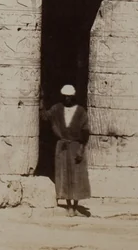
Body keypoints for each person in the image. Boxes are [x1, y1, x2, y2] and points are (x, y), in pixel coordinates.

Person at [45, 84, 90, 215]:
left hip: (76, 146)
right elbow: (45, 116)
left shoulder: (81, 111)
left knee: (77, 176)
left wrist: (81, 149)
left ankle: (76, 205)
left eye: (69, 97)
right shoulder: (57, 109)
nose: (67, 99)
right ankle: (69, 205)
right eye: (65, 97)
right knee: (64, 175)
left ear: (73, 97)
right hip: (62, 146)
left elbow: (85, 131)